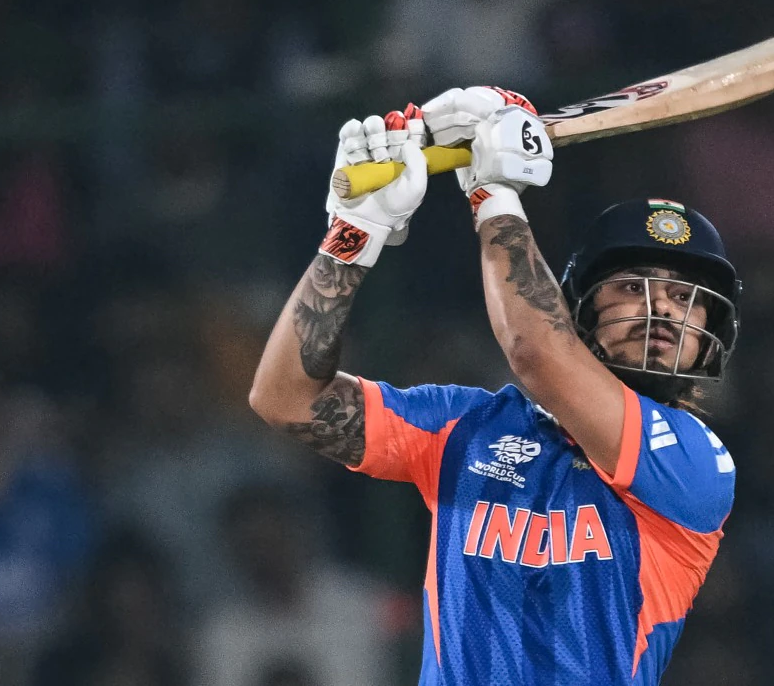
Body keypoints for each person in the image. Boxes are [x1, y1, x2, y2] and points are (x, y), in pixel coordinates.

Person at [249, 86, 741, 684]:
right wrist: (353, 234)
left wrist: (493, 192)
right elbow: (285, 398)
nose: (662, 308)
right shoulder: (465, 427)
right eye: (633, 287)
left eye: (686, 297)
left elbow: (536, 353)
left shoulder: (695, 461)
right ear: (580, 307)